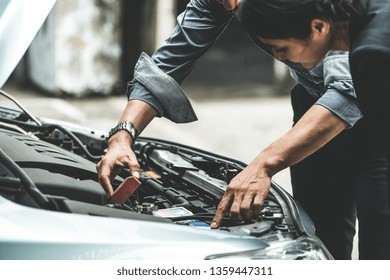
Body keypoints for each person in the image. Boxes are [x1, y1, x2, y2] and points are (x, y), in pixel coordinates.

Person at [96, 0, 390, 259]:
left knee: (381, 244)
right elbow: (167, 64)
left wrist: (263, 164)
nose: (229, 4)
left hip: (377, 112)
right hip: (313, 107)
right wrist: (123, 135)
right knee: (319, 241)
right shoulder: (219, 1)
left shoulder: (349, 30)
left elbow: (346, 89)